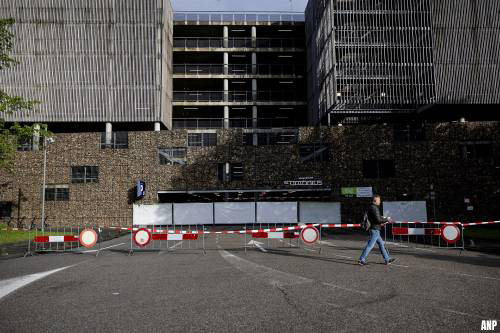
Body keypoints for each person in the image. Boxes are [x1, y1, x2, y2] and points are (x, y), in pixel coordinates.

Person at [358, 195, 396, 265]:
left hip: (374, 228)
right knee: (370, 245)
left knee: (381, 244)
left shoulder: (371, 207)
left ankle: (387, 259)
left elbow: (375, 219)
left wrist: (382, 221)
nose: (380, 201)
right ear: (375, 200)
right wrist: (387, 219)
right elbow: (378, 219)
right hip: (375, 229)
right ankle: (361, 259)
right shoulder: (374, 208)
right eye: (379, 200)